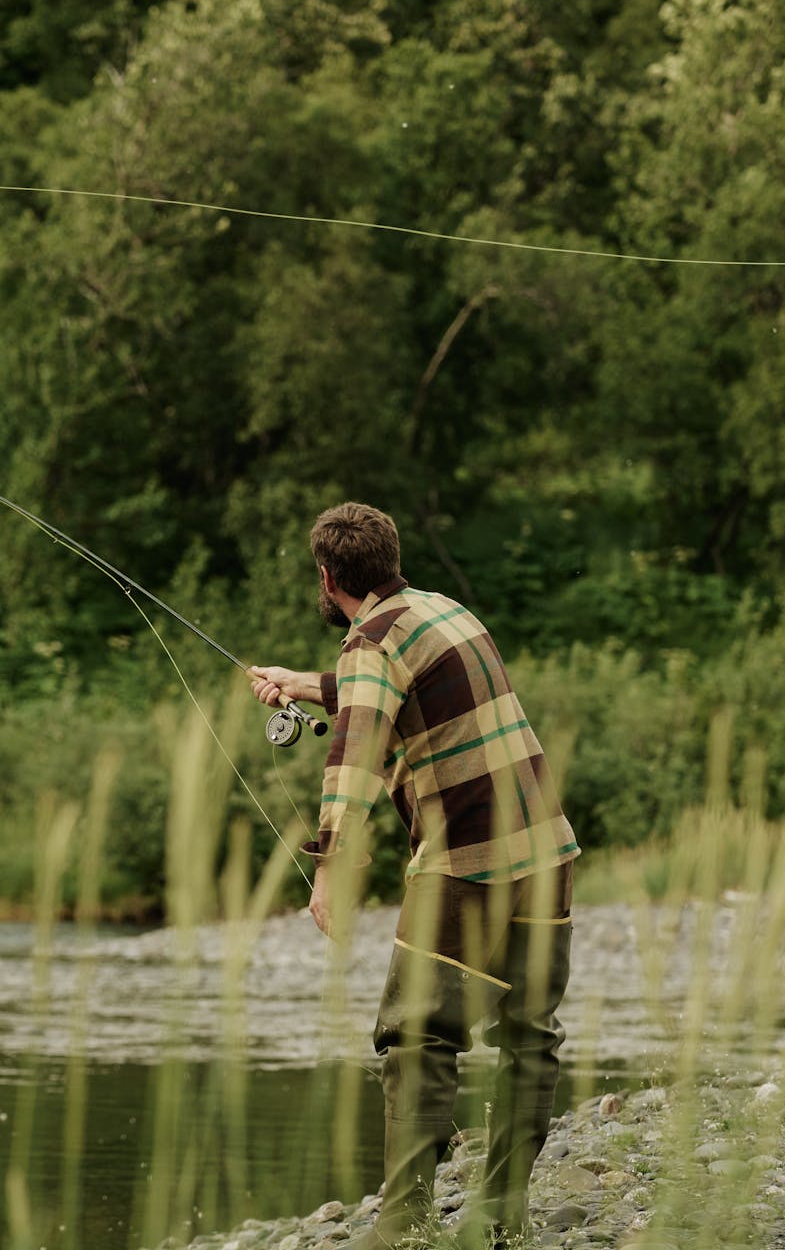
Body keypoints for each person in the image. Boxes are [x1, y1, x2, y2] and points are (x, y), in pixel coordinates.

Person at [248, 502, 580, 1249]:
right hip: (548, 852)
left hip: (466, 865)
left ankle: (405, 1228)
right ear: (390, 559)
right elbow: (395, 690)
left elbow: (356, 754)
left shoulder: (366, 645)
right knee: (530, 1038)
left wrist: (329, 873)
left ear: (327, 577)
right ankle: (502, 1220)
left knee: (418, 1038)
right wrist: (307, 684)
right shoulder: (441, 611)